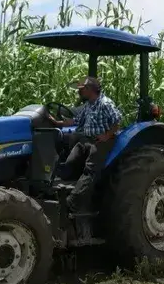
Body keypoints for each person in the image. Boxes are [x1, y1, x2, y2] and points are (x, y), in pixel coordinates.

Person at [47, 76, 123, 218]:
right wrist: (57, 123)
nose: (79, 92)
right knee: (69, 163)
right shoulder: (89, 105)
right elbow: (76, 120)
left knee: (90, 170)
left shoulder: (105, 103)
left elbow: (117, 120)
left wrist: (107, 135)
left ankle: (72, 204)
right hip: (87, 140)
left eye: (81, 89)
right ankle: (56, 189)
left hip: (101, 142)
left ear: (89, 89)